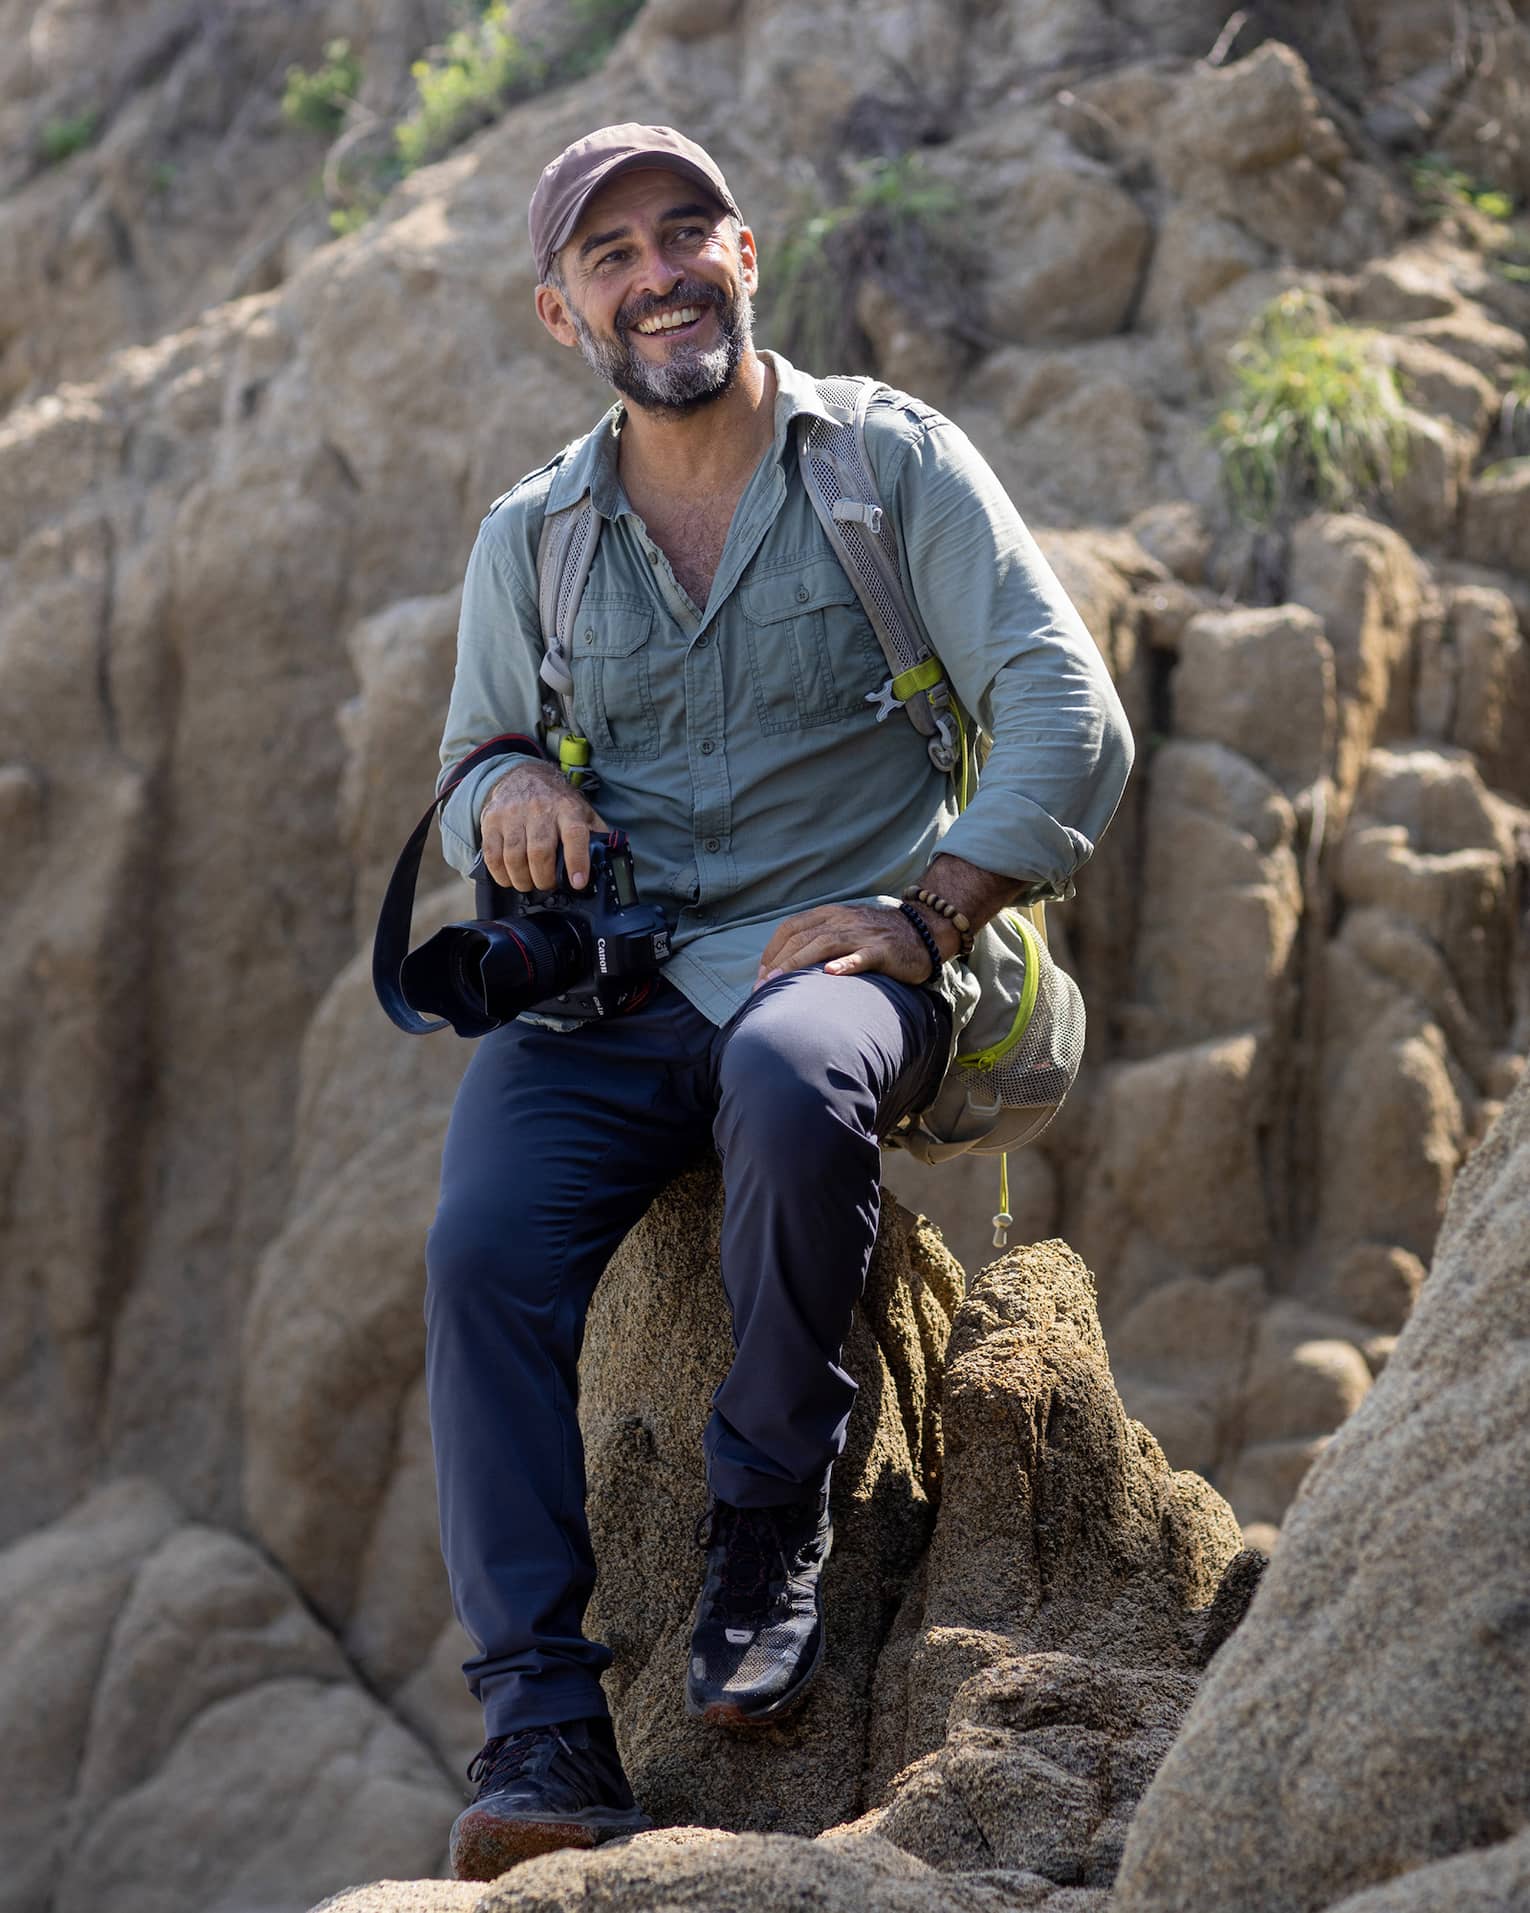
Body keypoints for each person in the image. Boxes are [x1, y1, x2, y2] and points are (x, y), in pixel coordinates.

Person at [426, 122, 1133, 1880]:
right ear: (557, 307)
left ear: (746, 254)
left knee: (791, 1073)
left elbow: (1068, 712)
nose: (654, 271)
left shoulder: (884, 466)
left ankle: (765, 1517)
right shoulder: (533, 538)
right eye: (611, 254)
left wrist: (929, 905)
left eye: (685, 233)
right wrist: (505, 788)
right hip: (617, 993)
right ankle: (541, 1716)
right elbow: (461, 772)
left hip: (852, 960)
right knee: (478, 1247)